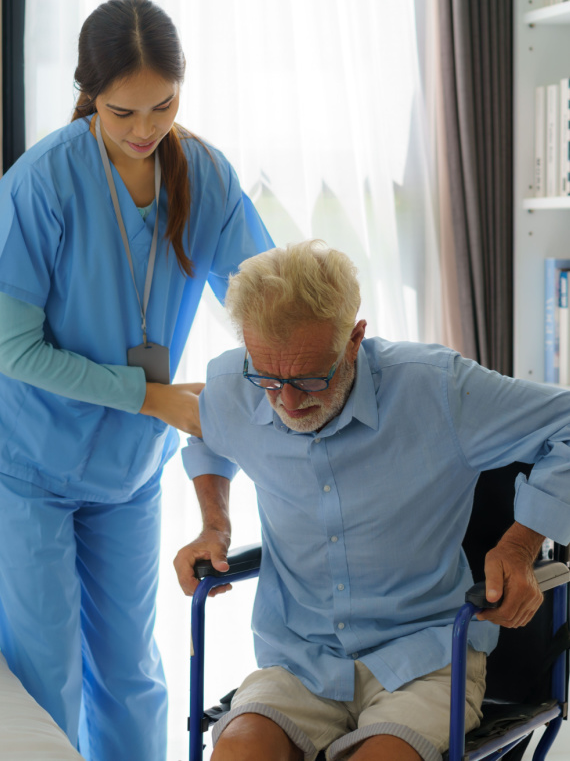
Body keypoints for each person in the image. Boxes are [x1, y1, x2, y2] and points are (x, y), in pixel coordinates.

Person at [0, 0, 272, 761]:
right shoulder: (41, 184)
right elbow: (12, 350)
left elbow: (265, 299)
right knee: (45, 678)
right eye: (123, 111)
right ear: (90, 93)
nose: (146, 128)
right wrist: (154, 398)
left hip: (128, 468)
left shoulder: (204, 176)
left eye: (164, 104)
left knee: (132, 674)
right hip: (29, 464)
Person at [176, 240, 570, 761]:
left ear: (355, 338)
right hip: (299, 661)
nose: (288, 403)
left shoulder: (438, 389)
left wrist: (520, 546)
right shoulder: (235, 383)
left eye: (310, 378)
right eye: (269, 379)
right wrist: (215, 526)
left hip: (427, 658)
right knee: (238, 752)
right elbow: (205, 431)